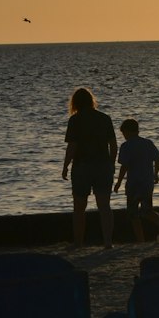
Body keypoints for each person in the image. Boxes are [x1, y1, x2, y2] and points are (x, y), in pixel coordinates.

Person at [62, 87, 117, 249]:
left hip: (82, 166)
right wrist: (111, 164)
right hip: (103, 166)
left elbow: (72, 146)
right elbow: (113, 145)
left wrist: (65, 166)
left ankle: (78, 242)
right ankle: (108, 241)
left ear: (75, 103)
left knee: (79, 207)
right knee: (104, 206)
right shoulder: (105, 118)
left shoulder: (75, 120)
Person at [114, 118, 159, 243]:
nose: (123, 136)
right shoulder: (147, 143)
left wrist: (118, 182)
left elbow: (124, 166)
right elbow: (157, 160)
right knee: (147, 210)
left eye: (123, 133)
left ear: (127, 132)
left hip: (133, 183)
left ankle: (140, 240)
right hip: (147, 182)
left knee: (133, 213)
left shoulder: (126, 146)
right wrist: (155, 174)